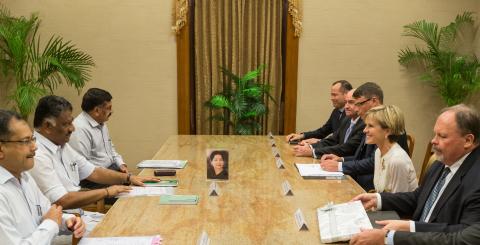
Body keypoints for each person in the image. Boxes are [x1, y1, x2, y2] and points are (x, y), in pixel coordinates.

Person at [352, 104, 480, 233]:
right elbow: (418, 198)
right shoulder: (441, 163)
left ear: (468, 140)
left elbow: (466, 233)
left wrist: (409, 228)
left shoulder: (475, 179)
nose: (433, 141)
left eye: (442, 136)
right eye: (435, 134)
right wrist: (377, 199)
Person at [29, 95, 159, 210]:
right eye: (66, 124)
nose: (72, 128)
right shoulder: (37, 154)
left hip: (79, 215)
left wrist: (129, 177)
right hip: (66, 222)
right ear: (47, 126)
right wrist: (107, 192)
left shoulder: (62, 146)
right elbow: (62, 200)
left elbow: (94, 172)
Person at [0, 109, 85, 244]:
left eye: (32, 139)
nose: (35, 147)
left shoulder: (24, 177)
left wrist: (67, 221)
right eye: (25, 141)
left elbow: (46, 212)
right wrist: (51, 224)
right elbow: (49, 221)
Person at [319, 82, 409, 191]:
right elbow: (364, 157)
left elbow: (373, 163)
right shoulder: (370, 124)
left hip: (370, 188)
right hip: (367, 185)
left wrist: (340, 166)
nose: (356, 109)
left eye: (359, 104)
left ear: (374, 101)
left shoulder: (389, 124)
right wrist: (341, 160)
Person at [69, 88, 128, 189]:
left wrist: (121, 164)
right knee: (130, 194)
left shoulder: (101, 122)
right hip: (93, 180)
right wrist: (114, 176)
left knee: (139, 184)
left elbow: (110, 148)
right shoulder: (79, 128)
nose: (112, 111)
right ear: (97, 110)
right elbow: (84, 167)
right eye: (109, 108)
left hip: (110, 169)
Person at [293, 89, 364, 158]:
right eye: (346, 102)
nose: (346, 106)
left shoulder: (364, 124)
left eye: (351, 102)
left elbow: (346, 148)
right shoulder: (347, 119)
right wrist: (310, 146)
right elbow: (332, 140)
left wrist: (313, 151)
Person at [364, 105, 417, 193]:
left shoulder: (397, 160)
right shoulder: (378, 152)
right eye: (366, 125)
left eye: (370, 126)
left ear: (387, 131)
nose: (365, 130)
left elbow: (398, 203)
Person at [286, 80, 352, 143]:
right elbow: (323, 131)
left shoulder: (352, 114)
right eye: (331, 95)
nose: (331, 98)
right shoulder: (336, 111)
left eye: (334, 95)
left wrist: (318, 142)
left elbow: (341, 141)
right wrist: (302, 136)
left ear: (346, 95)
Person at [350, 224, 480, 245]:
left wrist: (386, 237)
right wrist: (379, 198)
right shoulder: (439, 165)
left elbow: (456, 240)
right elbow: (418, 196)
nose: (433, 147)